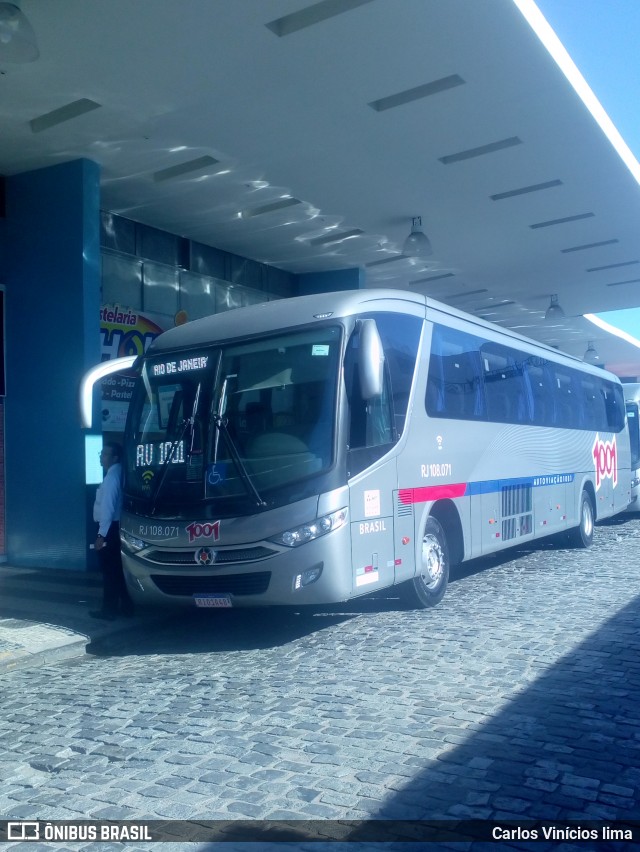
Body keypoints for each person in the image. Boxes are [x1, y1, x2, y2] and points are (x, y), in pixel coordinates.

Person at [90, 442, 134, 620]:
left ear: (115, 457)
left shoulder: (111, 479)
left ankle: (109, 610)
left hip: (109, 528)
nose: (101, 457)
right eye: (101, 453)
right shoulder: (119, 474)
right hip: (115, 527)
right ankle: (126, 606)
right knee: (117, 569)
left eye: (105, 454)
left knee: (109, 571)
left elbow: (107, 510)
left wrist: (101, 535)